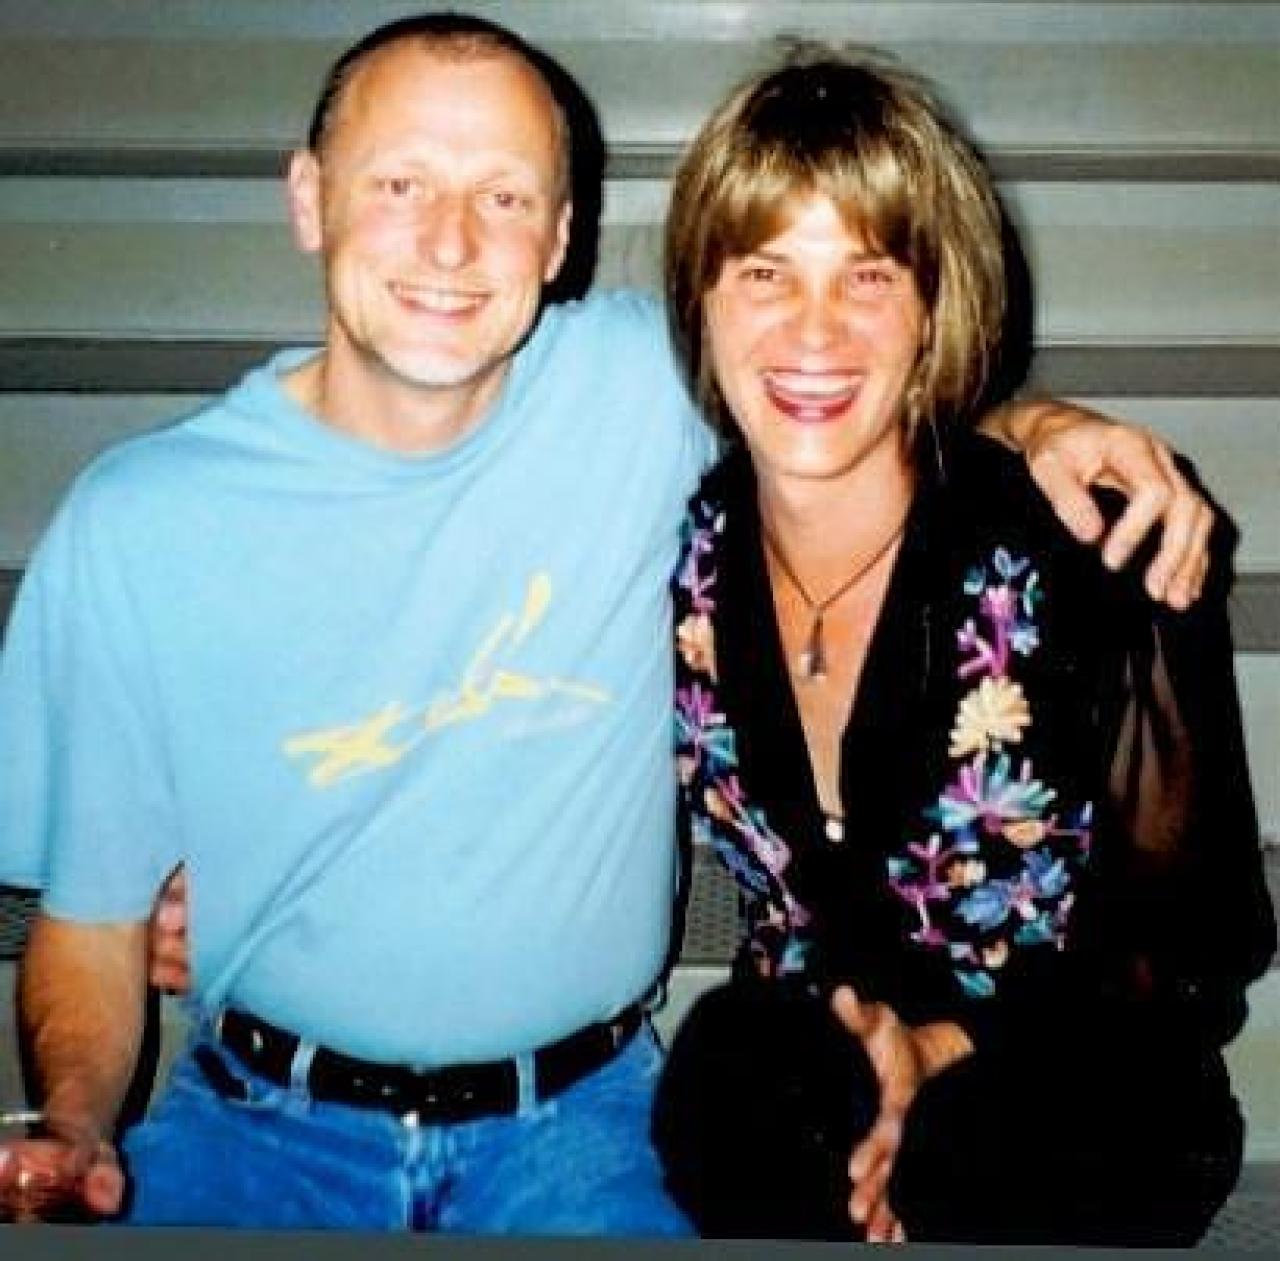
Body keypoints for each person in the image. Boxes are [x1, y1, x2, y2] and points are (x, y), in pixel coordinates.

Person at [0, 12, 1220, 1233]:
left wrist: (1042, 424)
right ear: (310, 200)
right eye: (401, 184)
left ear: (561, 235)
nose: (450, 242)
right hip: (257, 1125)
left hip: (579, 1132)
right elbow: (89, 922)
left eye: (502, 197)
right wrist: (74, 1124)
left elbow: (850, 389)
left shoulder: (639, 390)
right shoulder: (144, 519)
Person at [650, 48, 1277, 1247]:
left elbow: (1192, 952)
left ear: (932, 308)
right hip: (825, 1053)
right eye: (765, 271)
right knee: (730, 1083)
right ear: (701, 299)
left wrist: (938, 1048)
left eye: (867, 275)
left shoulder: (1095, 541)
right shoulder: (690, 546)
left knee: (964, 1157)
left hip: (1076, 1062)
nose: (813, 330)